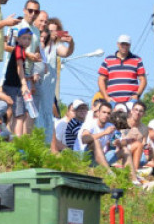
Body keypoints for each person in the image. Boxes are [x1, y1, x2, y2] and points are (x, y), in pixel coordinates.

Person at [36, 15, 74, 144]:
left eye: (55, 31)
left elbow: (67, 52)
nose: (52, 34)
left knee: (47, 118)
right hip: (37, 86)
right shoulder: (38, 43)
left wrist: (71, 43)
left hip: (48, 90)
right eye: (50, 30)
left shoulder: (56, 46)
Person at [97, 34, 147, 105]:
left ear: (130, 45)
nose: (124, 47)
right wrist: (106, 97)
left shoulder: (136, 60)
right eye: (122, 44)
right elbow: (101, 79)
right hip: (113, 101)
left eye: (127, 44)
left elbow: (143, 80)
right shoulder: (108, 60)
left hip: (131, 101)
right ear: (118, 44)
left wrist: (137, 95)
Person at [75, 102, 113, 168]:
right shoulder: (90, 123)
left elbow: (114, 142)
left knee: (125, 150)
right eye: (104, 112)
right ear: (98, 113)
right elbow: (84, 139)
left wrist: (120, 142)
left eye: (108, 113)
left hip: (99, 156)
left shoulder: (110, 126)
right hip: (84, 157)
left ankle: (134, 176)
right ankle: (108, 172)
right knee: (96, 141)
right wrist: (104, 133)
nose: (106, 115)